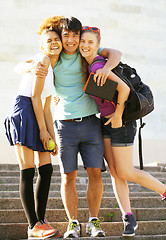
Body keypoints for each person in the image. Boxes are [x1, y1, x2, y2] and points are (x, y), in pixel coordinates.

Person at [20, 16, 122, 238]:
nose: (72, 40)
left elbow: (116, 54)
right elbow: (22, 65)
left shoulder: (84, 53)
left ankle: (93, 222)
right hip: (64, 126)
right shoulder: (52, 58)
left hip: (91, 122)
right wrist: (33, 64)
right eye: (66, 35)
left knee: (95, 172)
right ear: (61, 36)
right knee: (69, 175)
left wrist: (107, 68)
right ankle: (73, 223)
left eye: (75, 35)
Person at [79, 26, 166, 237]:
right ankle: (128, 217)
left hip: (122, 121)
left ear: (98, 45)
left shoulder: (99, 64)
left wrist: (118, 115)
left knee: (125, 171)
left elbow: (124, 89)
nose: (85, 45)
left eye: (91, 42)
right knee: (116, 174)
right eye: (83, 41)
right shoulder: (88, 64)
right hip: (105, 121)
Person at [4, 17, 63, 239]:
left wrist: (52, 135)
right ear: (42, 45)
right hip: (24, 111)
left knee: (46, 169)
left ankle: (41, 220)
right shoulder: (43, 59)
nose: (54, 42)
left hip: (38, 112)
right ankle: (33, 225)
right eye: (49, 40)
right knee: (28, 170)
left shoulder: (54, 69)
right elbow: (35, 98)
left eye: (56, 39)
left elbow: (47, 108)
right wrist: (43, 130)